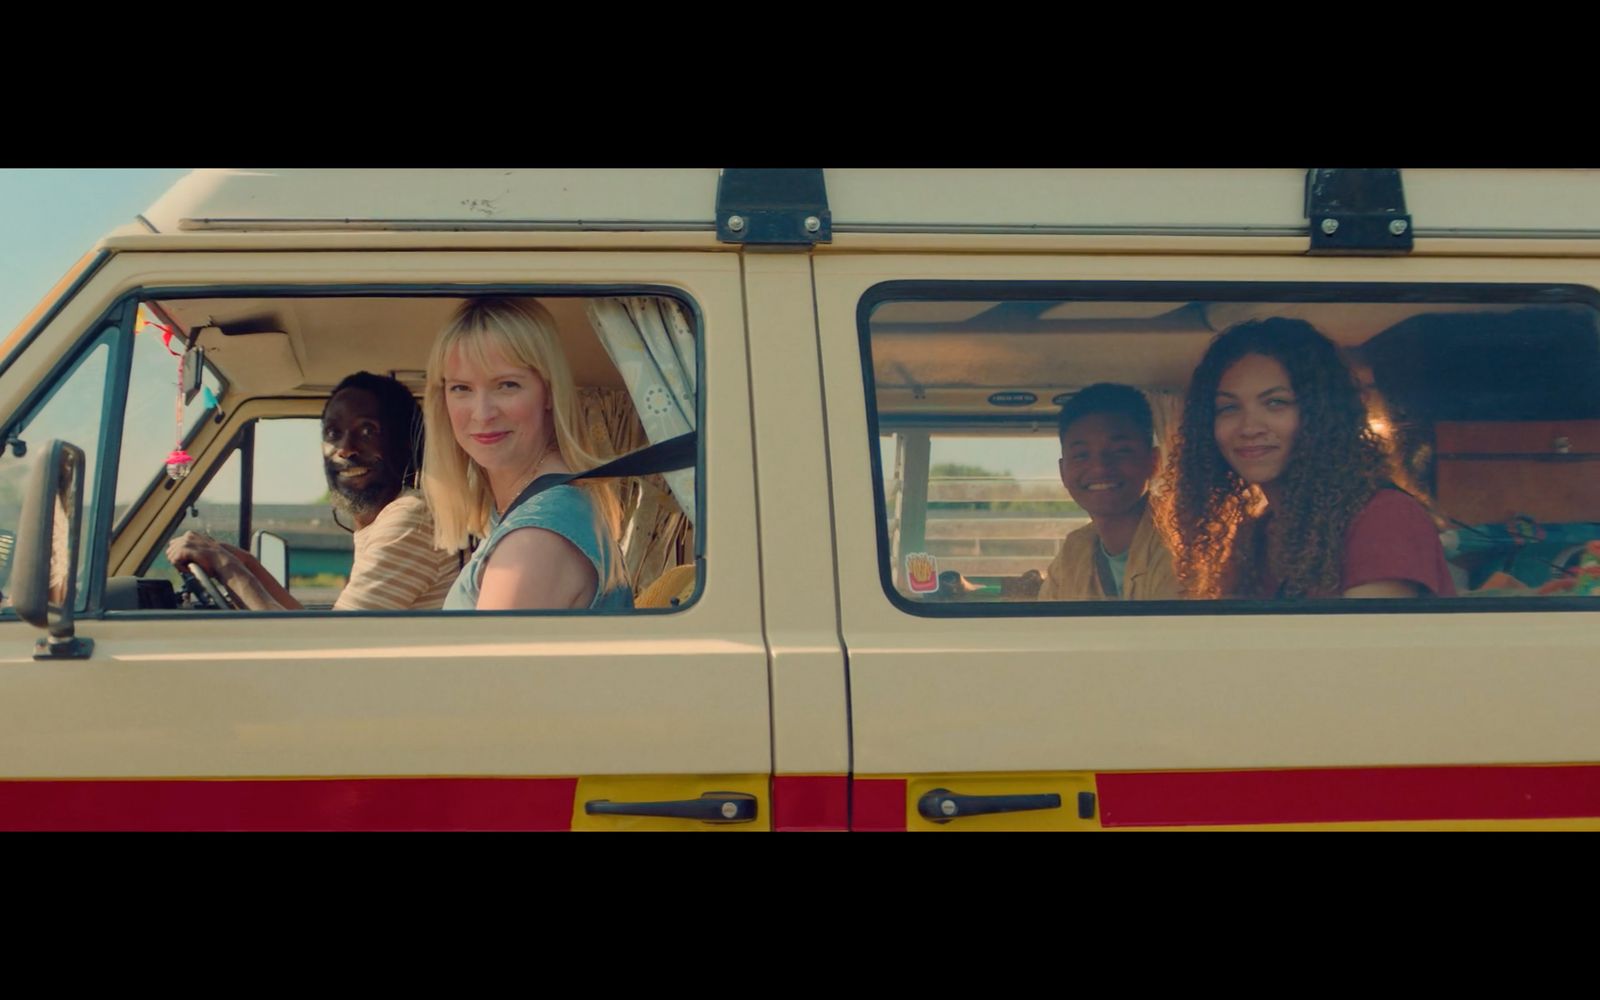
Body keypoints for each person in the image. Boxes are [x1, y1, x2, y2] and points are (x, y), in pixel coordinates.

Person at [1158, 318, 1455, 600]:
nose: (1249, 428)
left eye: (1276, 403)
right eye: (1228, 408)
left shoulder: (1384, 516)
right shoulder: (1256, 537)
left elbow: (1366, 650)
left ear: (1321, 417)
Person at [166, 372, 460, 610]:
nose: (344, 449)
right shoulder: (386, 521)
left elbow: (325, 650)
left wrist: (224, 565)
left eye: (368, 431)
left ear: (405, 442)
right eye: (333, 433)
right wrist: (247, 565)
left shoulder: (410, 517)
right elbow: (321, 632)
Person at [423, 299, 631, 612]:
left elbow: (482, 663)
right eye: (461, 388)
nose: (482, 413)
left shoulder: (536, 539)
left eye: (507, 385)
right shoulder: (545, 509)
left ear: (548, 392)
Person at [1038, 383, 1179, 601]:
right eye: (1081, 455)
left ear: (1154, 462)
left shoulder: (1180, 544)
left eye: (1120, 451)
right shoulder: (1075, 551)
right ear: (1063, 472)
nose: (1100, 467)